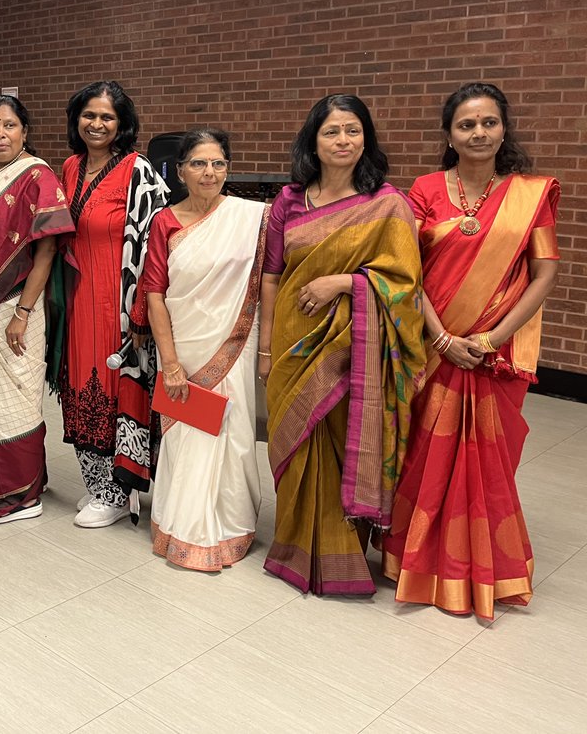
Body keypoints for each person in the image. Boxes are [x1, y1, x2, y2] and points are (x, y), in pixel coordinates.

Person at [382, 83, 560, 620]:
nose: (478, 132)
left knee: (486, 464)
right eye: (466, 124)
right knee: (424, 457)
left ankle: (483, 569)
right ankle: (413, 561)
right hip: (433, 347)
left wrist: (491, 338)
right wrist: (441, 338)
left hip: (492, 354)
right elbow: (406, 271)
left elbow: (543, 273)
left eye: (488, 122)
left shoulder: (529, 194)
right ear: (449, 135)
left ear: (503, 130)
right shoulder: (425, 189)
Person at [259, 93, 426, 595]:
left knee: (340, 439)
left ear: (366, 139)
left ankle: (341, 554)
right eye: (331, 131)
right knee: (294, 441)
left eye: (353, 130)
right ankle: (292, 547)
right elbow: (271, 276)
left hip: (353, 346)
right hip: (292, 341)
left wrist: (344, 283)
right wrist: (265, 349)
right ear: (313, 140)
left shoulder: (387, 204)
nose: (343, 140)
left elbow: (405, 282)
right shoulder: (289, 201)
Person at [140, 128, 268, 569]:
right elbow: (155, 294)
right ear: (180, 171)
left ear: (227, 169)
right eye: (198, 163)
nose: (209, 172)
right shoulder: (165, 222)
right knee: (187, 434)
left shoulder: (250, 218)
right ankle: (182, 525)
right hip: (183, 346)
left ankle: (230, 525)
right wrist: (171, 362)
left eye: (218, 163)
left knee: (232, 433)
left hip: (233, 344)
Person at [0, 95, 74, 525]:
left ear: (25, 132)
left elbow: (47, 251)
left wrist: (22, 312)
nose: (0, 134)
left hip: (17, 308)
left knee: (17, 399)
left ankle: (20, 495)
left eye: (9, 126)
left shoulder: (39, 176)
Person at [55, 80, 167, 528]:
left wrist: (141, 311)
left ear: (122, 124)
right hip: (76, 300)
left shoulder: (139, 171)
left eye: (107, 117)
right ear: (76, 120)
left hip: (120, 305)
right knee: (80, 389)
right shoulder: (70, 167)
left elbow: (159, 246)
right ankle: (99, 483)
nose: (97, 124)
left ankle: (119, 491)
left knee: (116, 388)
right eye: (89, 115)